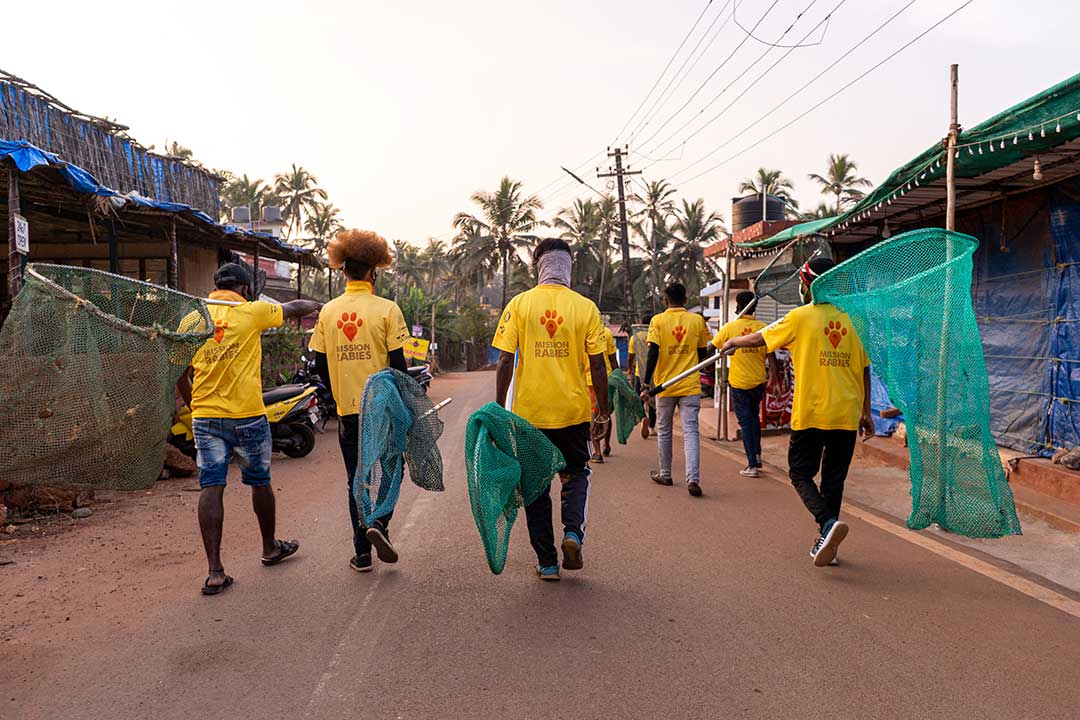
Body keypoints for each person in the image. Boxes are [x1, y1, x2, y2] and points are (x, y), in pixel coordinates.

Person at [719, 256, 874, 567]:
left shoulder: (800, 317)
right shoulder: (856, 319)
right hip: (846, 412)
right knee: (833, 480)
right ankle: (827, 540)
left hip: (812, 412)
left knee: (800, 473)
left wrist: (733, 340)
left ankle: (827, 524)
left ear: (808, 285)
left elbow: (760, 338)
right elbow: (865, 370)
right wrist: (866, 412)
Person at [176, 262, 320, 595]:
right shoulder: (252, 312)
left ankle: (214, 572)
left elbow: (180, 372)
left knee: (211, 487)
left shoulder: (193, 319)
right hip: (248, 417)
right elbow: (292, 308)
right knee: (260, 482)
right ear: (244, 289)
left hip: (207, 418)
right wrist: (318, 305)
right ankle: (269, 548)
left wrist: (195, 404)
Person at [493, 237, 610, 582]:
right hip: (573, 413)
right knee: (575, 475)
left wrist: (500, 408)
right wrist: (603, 410)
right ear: (568, 266)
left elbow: (503, 360)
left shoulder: (520, 304)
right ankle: (572, 534)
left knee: (535, 488)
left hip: (529, 416)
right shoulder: (585, 308)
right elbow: (599, 367)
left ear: (539, 265)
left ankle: (547, 562)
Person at [309, 229, 411, 574]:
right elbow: (398, 366)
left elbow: (319, 363)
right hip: (382, 408)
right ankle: (379, 523)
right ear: (373, 273)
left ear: (343, 271)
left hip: (349, 411)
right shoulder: (388, 309)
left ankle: (362, 554)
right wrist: (407, 405)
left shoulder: (328, 312)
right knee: (390, 469)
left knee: (356, 478)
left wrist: (337, 392)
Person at [640, 284, 711, 497]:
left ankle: (666, 473)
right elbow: (702, 353)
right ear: (686, 299)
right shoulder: (697, 320)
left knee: (664, 431)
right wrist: (688, 366)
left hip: (666, 385)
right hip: (689, 384)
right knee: (691, 432)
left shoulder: (658, 321)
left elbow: (653, 353)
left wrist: (646, 383)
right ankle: (693, 479)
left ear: (665, 300)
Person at [710, 290, 778, 478]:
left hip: (740, 383)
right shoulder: (763, 327)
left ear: (738, 307)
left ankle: (752, 464)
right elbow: (771, 355)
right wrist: (774, 379)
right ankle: (756, 455)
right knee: (754, 418)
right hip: (758, 381)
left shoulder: (730, 328)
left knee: (746, 422)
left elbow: (713, 346)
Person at [585, 321, 619, 462]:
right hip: (608, 380)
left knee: (593, 414)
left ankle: (597, 452)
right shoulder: (607, 333)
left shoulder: (581, 333)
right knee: (606, 412)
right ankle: (607, 445)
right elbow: (612, 358)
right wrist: (618, 376)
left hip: (589, 380)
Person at [626, 316, 656, 439]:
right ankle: (651, 428)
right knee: (652, 401)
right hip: (654, 373)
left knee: (639, 399)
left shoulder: (635, 337)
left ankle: (643, 417)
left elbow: (630, 356)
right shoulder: (655, 334)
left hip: (639, 373)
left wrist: (629, 369)